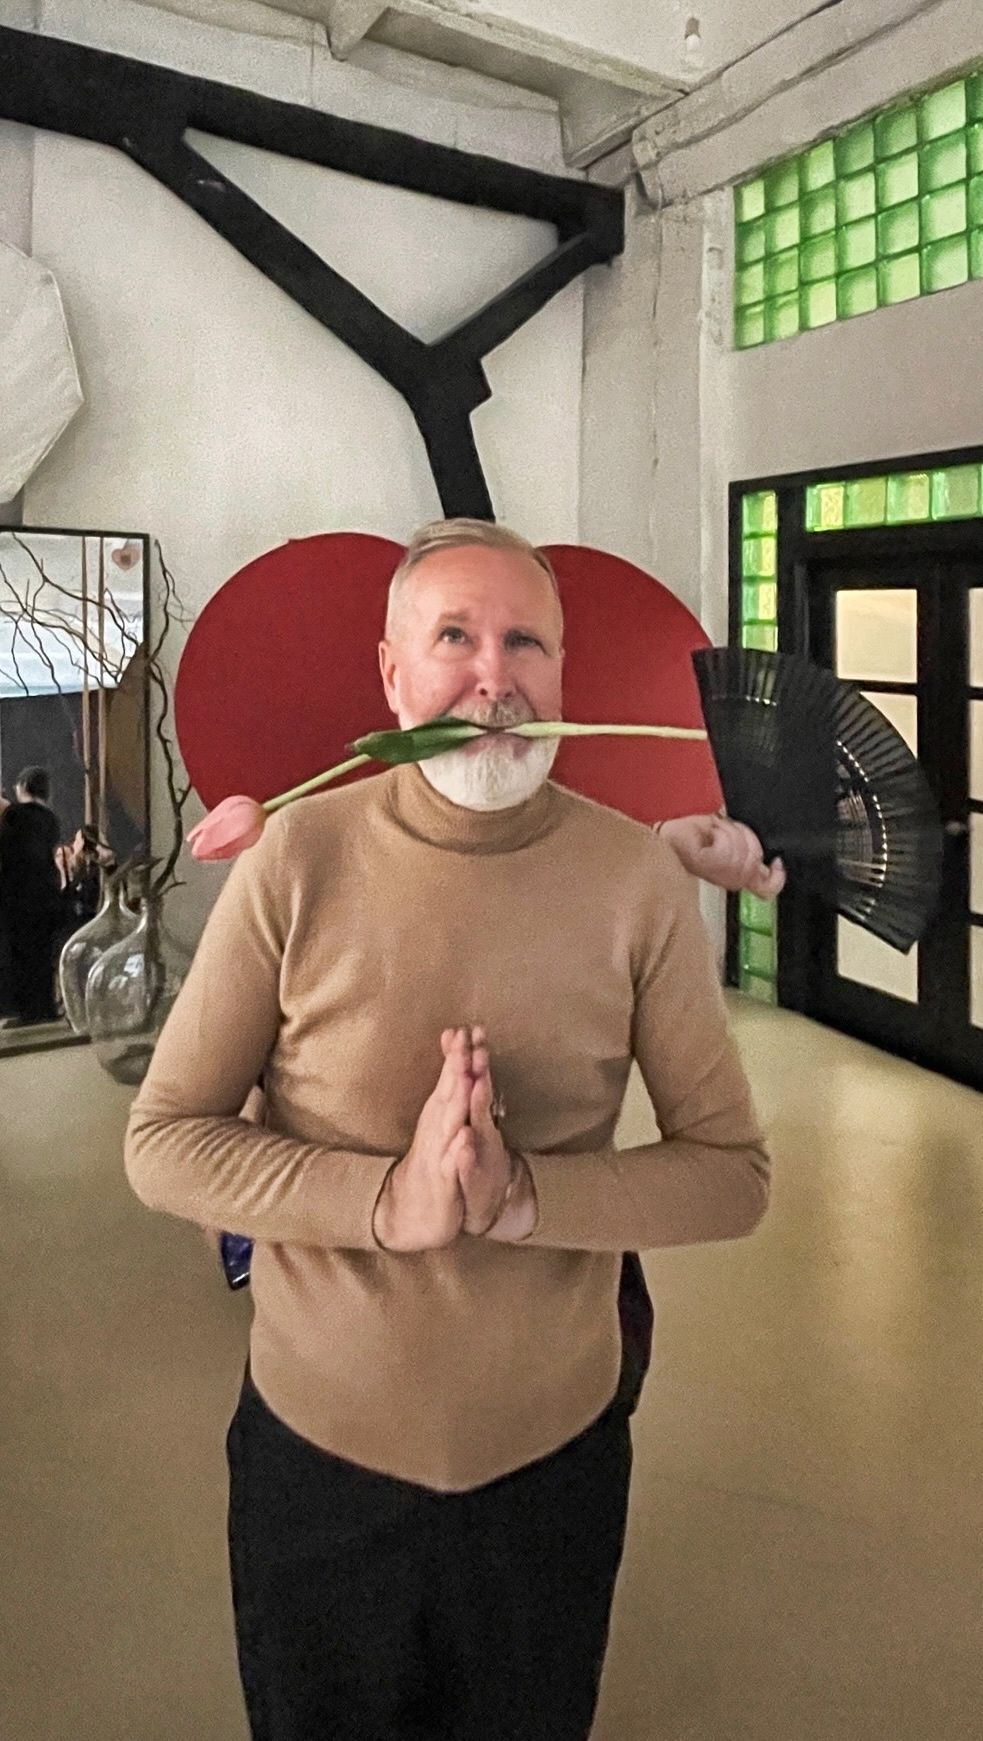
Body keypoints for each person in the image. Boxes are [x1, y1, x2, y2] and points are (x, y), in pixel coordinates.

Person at [125, 519, 773, 1741]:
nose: (493, 676)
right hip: (315, 1461)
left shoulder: (632, 878)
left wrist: (522, 1197)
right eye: (454, 637)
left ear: (563, 672)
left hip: (553, 1461)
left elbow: (730, 1174)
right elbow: (165, 1139)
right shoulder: (294, 859)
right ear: (391, 674)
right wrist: (390, 1201)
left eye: (525, 642)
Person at [0, 766, 64, 1025]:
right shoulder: (50, 820)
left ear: (23, 786)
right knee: (42, 956)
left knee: (21, 956)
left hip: (18, 896)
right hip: (47, 894)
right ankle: (44, 1008)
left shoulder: (14, 815)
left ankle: (25, 1011)